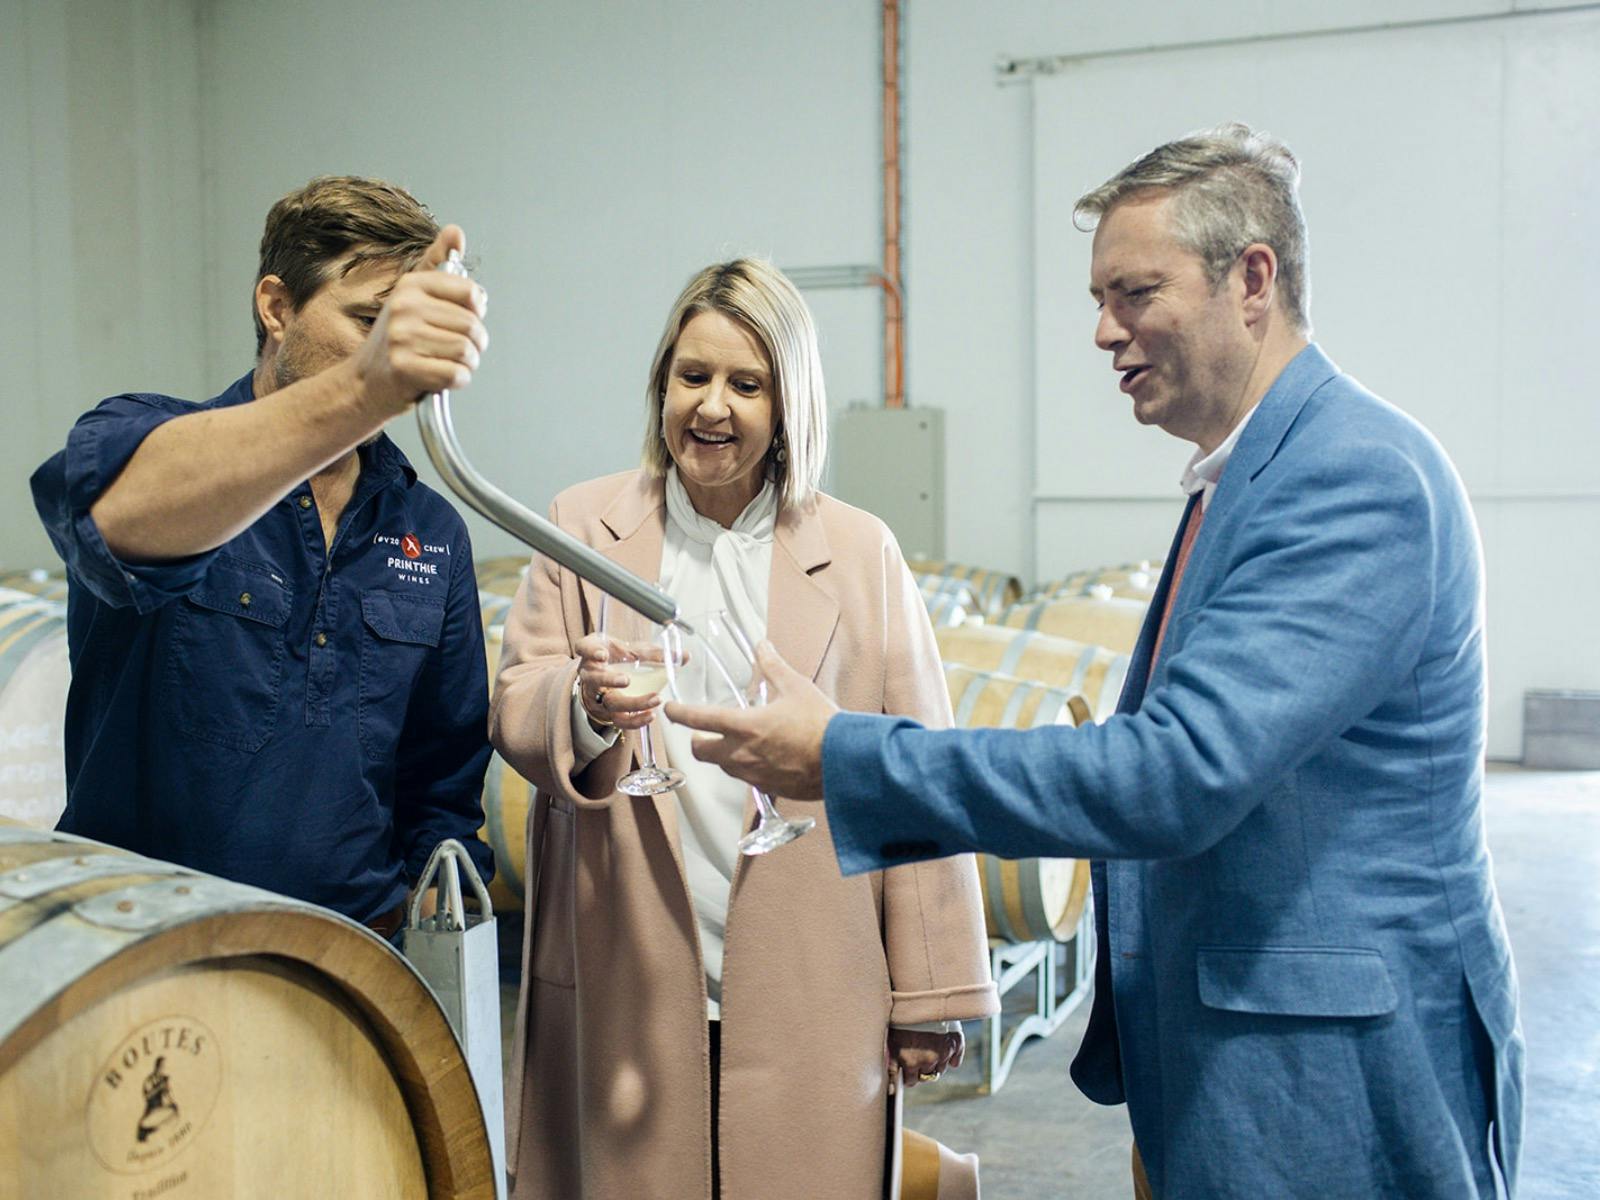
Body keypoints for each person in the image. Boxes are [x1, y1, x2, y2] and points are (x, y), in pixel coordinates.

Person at [667, 125, 1524, 1199]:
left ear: (1249, 279)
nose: (1102, 330)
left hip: (1326, 1075)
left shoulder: (1353, 476)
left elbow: (1170, 776)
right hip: (1231, 1050)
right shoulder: (1246, 473)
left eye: (1134, 293)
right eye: (1098, 297)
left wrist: (845, 756)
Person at [490, 258, 998, 1200]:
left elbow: (916, 770)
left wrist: (931, 993)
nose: (712, 407)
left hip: (814, 967)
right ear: (662, 386)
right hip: (624, 963)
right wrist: (583, 705)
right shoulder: (582, 525)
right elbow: (517, 700)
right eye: (693, 377)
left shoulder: (858, 552)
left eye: (745, 383)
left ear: (788, 404)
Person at [30, 176, 495, 936]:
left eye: (395, 328)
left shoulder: (429, 526)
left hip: (356, 948)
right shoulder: (160, 444)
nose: (384, 349)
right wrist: (366, 385)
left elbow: (442, 775)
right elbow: (115, 515)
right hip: (146, 937)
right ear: (276, 306)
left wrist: (438, 929)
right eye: (366, 321)